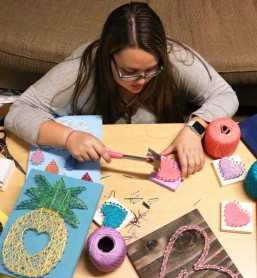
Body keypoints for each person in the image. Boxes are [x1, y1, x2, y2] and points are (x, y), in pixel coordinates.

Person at [4, 2, 239, 180]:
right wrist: (68, 137)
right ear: (107, 56)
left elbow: (225, 95)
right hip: (100, 167)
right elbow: (19, 111)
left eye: (151, 70)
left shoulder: (177, 58)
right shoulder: (79, 71)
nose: (141, 81)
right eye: (129, 71)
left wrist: (195, 128)